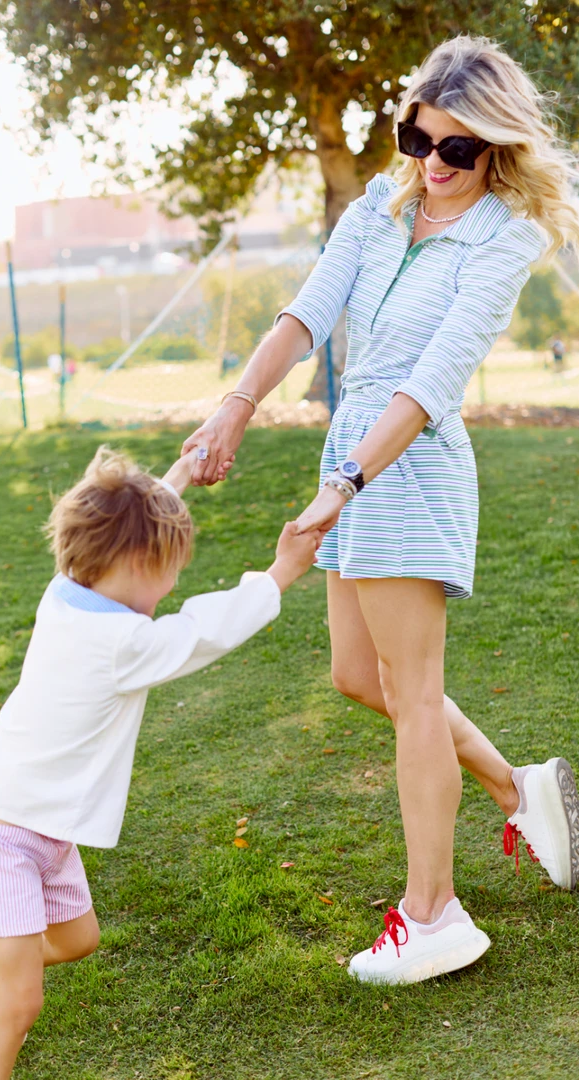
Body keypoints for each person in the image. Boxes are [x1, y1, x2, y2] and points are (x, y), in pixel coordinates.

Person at [181, 35, 579, 985]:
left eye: (455, 150)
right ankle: (518, 789)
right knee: (359, 676)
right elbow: (307, 313)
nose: (430, 166)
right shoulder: (379, 205)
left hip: (408, 465)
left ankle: (434, 914)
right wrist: (234, 407)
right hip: (351, 453)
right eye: (417, 138)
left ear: (497, 150)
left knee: (411, 696)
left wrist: (344, 484)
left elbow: (435, 378)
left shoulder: (505, 237)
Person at [0, 444, 323, 1079]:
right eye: (168, 569)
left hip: (46, 829)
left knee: (76, 941)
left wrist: (178, 479)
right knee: (20, 1004)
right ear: (136, 565)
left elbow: (120, 520)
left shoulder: (66, 590)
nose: (174, 584)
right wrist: (280, 572)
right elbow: (205, 630)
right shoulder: (120, 643)